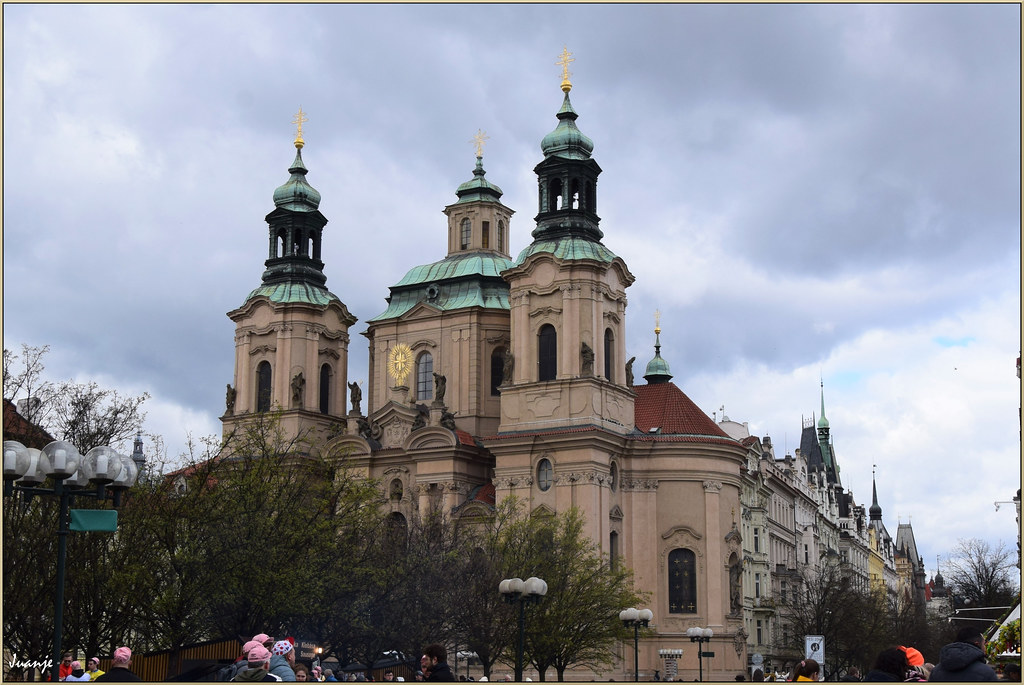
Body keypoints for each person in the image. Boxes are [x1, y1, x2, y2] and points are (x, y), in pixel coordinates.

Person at [929, 626, 998, 681]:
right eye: (984, 644)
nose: (985, 648)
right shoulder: (986, 673)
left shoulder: (936, 671)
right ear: (977, 644)